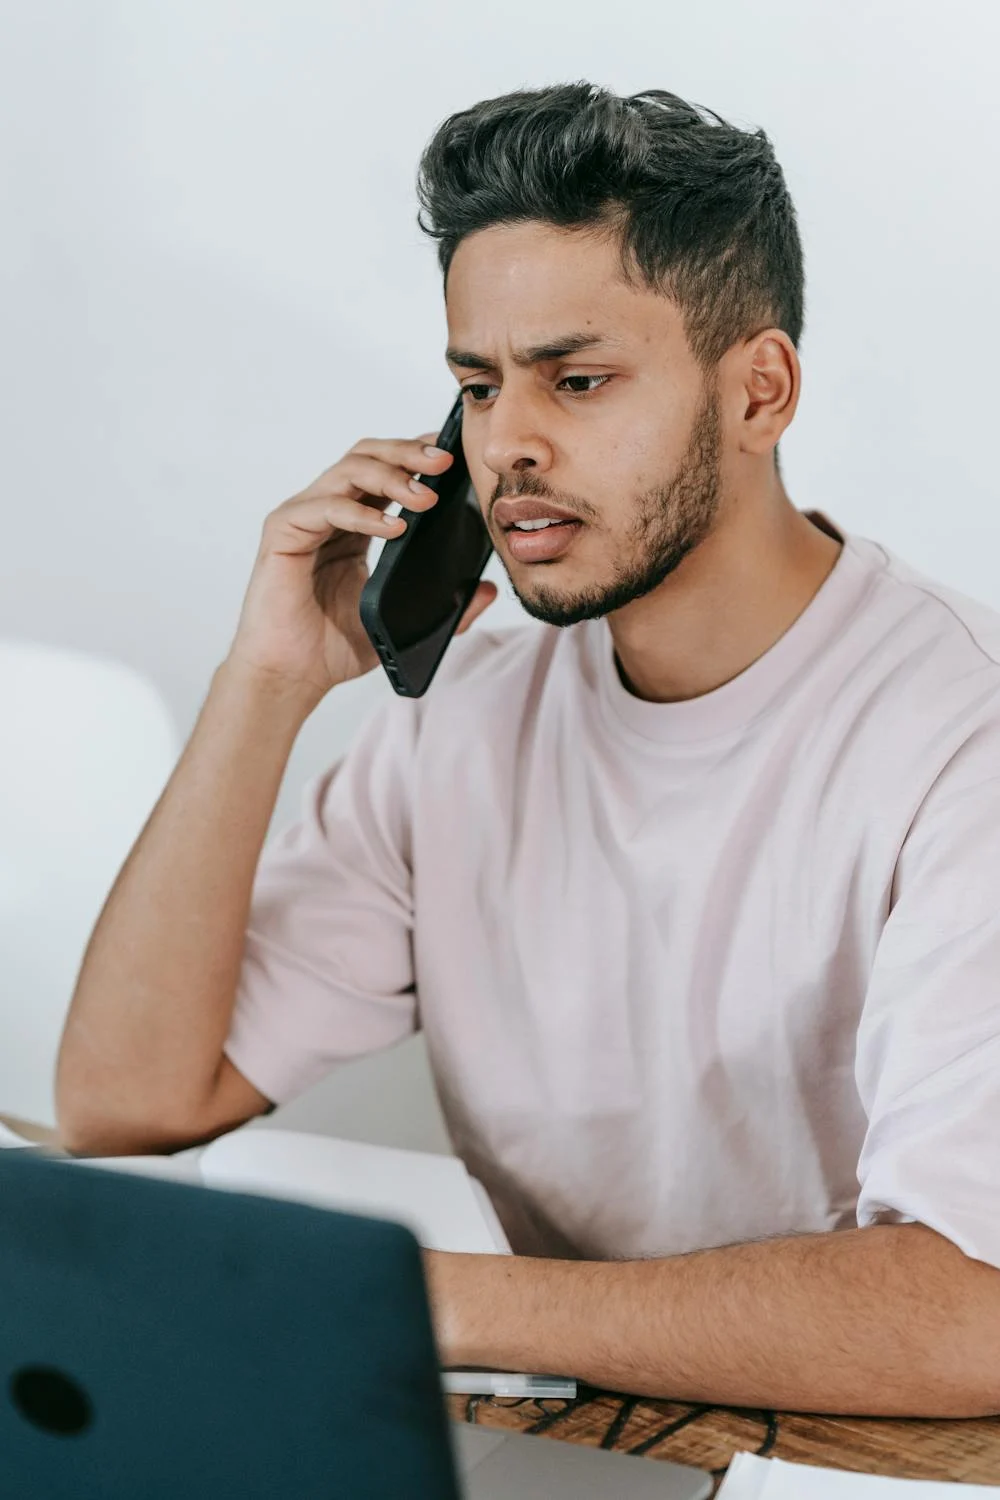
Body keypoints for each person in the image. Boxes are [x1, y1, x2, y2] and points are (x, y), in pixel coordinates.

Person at [57, 83, 1000, 1418]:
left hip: (848, 1456)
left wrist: (427, 1299)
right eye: (478, 386)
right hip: (577, 1430)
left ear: (761, 390)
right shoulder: (466, 717)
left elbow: (973, 1315)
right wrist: (269, 680)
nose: (511, 445)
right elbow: (124, 1100)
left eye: (578, 378)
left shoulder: (967, 735)